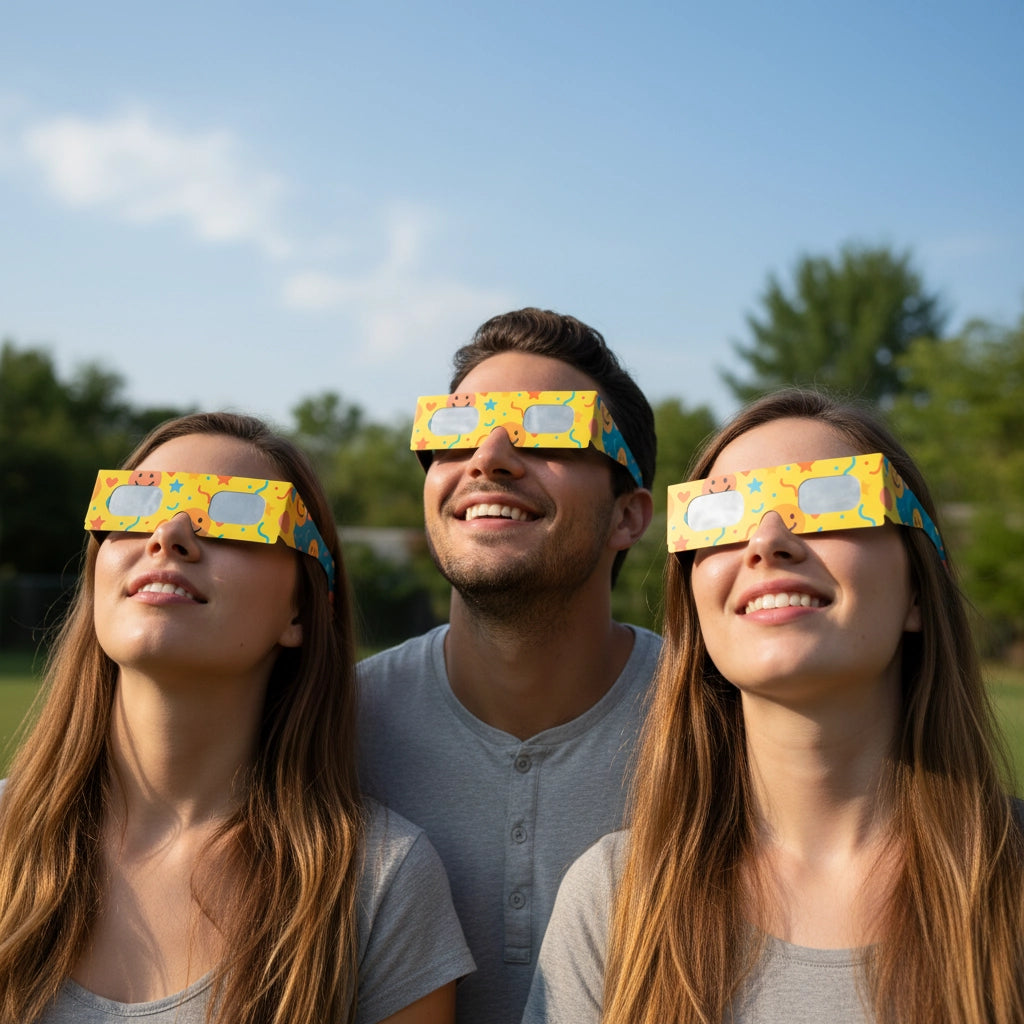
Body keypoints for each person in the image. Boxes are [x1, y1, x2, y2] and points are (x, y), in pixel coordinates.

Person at [523, 387, 1024, 1024]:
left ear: (919, 591)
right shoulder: (614, 901)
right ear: (695, 603)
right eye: (722, 515)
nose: (768, 539)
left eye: (832, 497)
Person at [0, 412, 474, 1024]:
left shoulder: (376, 885)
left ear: (300, 612)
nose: (168, 534)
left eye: (235, 514)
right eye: (135, 504)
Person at [357, 308, 660, 1023]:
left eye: (551, 430)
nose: (488, 455)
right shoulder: (328, 725)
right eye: (455, 432)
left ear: (629, 516)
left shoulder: (728, 723)